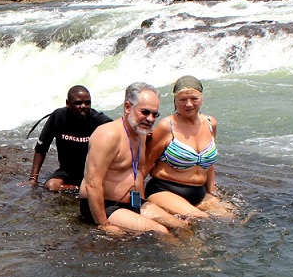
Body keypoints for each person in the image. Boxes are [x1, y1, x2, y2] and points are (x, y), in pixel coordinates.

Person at [79, 82, 176, 235]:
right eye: (145, 112)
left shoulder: (140, 133)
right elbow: (92, 183)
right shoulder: (108, 134)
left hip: (133, 202)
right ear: (128, 107)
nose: (150, 119)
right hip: (105, 205)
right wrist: (103, 224)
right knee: (161, 231)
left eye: (154, 114)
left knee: (180, 225)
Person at [143, 75, 233, 219]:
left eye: (194, 98)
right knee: (199, 218)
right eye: (182, 100)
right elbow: (145, 164)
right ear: (175, 101)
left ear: (202, 98)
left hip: (198, 191)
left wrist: (211, 192)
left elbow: (209, 165)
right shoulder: (167, 127)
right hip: (165, 189)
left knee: (231, 218)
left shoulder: (211, 123)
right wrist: (140, 202)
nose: (189, 104)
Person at [23, 85, 113, 191]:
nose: (83, 106)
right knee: (51, 186)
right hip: (67, 171)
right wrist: (33, 178)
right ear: (67, 103)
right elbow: (41, 148)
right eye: (78, 103)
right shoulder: (58, 117)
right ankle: (81, 189)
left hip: (92, 171)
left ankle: (87, 188)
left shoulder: (97, 119)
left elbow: (118, 128)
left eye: (87, 103)